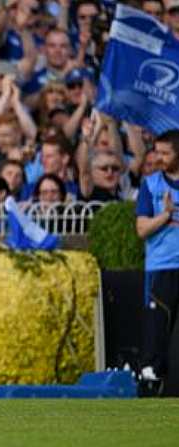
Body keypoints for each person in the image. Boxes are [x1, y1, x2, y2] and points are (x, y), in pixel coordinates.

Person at [135, 129, 179, 392]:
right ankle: (152, 385)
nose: (160, 158)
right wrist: (165, 215)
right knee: (156, 334)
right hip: (161, 268)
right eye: (157, 152)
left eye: (166, 153)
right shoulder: (151, 185)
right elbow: (141, 229)